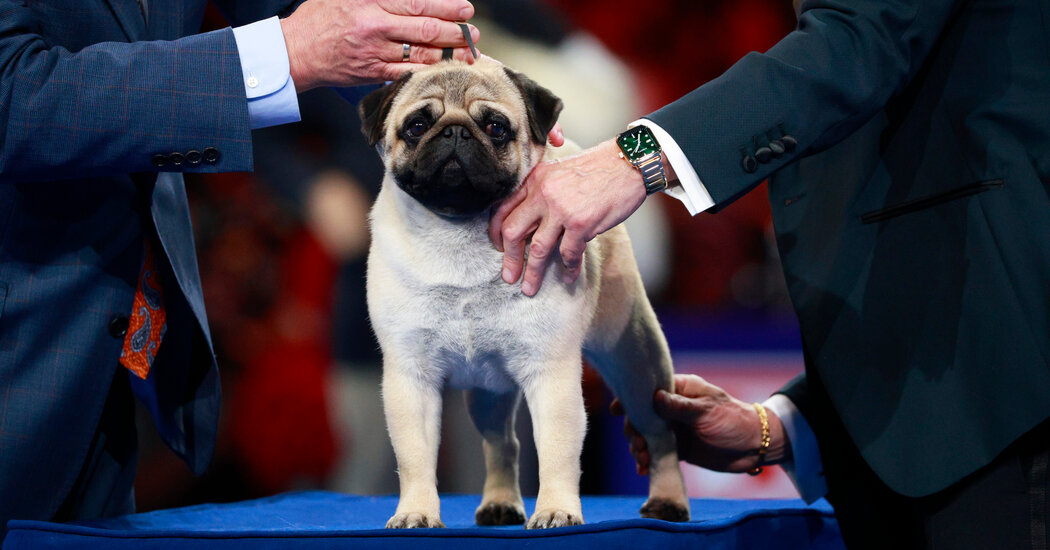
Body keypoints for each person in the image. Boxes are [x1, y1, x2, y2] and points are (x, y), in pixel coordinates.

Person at [488, 0, 1050, 546]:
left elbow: (858, 45)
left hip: (1007, 421)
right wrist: (786, 426)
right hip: (936, 422)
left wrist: (634, 158)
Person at [0, 0, 480, 535]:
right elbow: (12, 95)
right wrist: (289, 52)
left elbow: (304, 11)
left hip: (114, 356)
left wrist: (435, 58)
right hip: (24, 342)